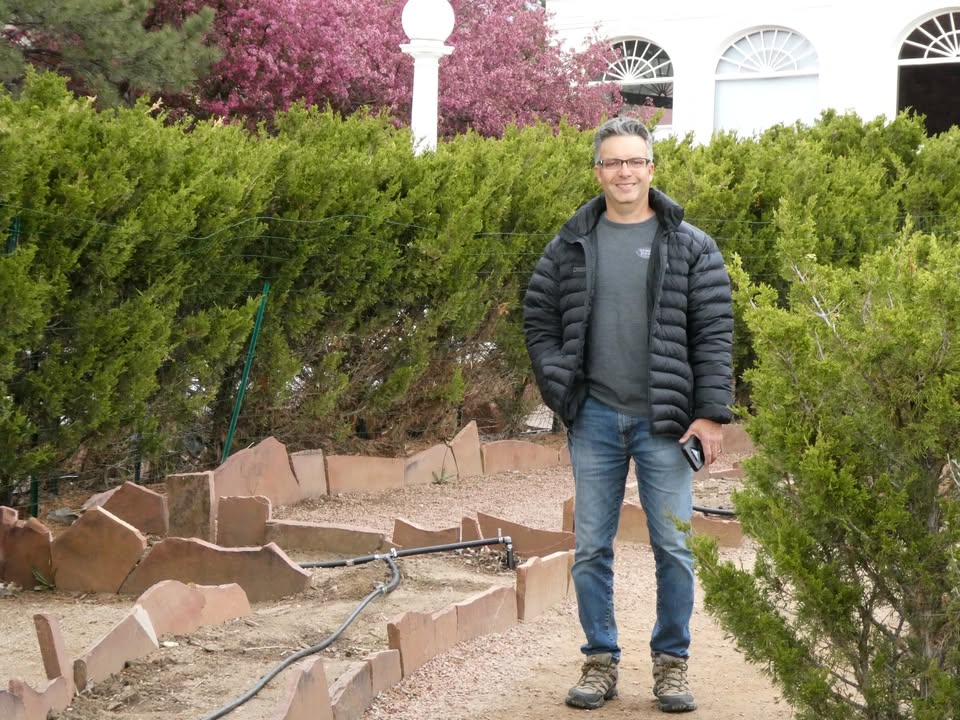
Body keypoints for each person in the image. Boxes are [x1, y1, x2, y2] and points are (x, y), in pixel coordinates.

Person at [522, 116, 734, 713]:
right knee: (591, 547)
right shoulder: (570, 244)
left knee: (673, 546)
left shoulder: (691, 245)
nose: (624, 172)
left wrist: (711, 415)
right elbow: (537, 319)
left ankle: (671, 665)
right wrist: (560, 385)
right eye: (613, 162)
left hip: (667, 422)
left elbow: (715, 334)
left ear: (651, 168)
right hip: (594, 419)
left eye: (635, 161)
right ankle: (599, 661)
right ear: (598, 170)